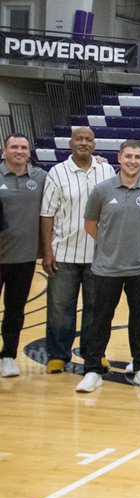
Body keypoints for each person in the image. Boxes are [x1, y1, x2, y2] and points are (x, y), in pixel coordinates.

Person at [79, 140, 140, 392]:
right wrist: (110, 243)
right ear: (119, 157)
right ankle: (92, 369)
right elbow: (90, 224)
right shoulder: (102, 190)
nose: (132, 161)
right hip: (107, 268)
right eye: (128, 156)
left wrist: (139, 242)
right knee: (100, 319)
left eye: (137, 157)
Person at [40, 126, 115, 374]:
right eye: (79, 139)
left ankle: (93, 353)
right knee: (60, 309)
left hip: (98, 253)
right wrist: (47, 252)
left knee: (95, 309)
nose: (84, 142)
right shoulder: (57, 172)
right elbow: (47, 214)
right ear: (70, 143)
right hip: (64, 253)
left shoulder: (106, 170)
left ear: (95, 144)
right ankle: (58, 355)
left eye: (88, 139)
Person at [0, 134, 46, 377]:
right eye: (14, 147)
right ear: (4, 151)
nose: (19, 151)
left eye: (24, 147)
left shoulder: (40, 177)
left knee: (15, 310)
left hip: (24, 258)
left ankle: (8, 355)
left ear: (29, 152)